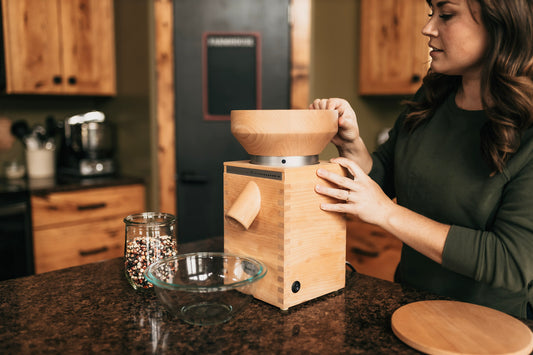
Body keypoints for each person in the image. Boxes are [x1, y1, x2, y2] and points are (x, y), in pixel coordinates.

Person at [310, 0, 533, 320]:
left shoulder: (528, 130)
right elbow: (382, 179)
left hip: (492, 331)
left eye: (446, 15)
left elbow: (511, 261)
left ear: (501, 23)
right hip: (410, 310)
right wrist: (351, 145)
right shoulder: (430, 98)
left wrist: (386, 214)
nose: (427, 28)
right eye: (431, 15)